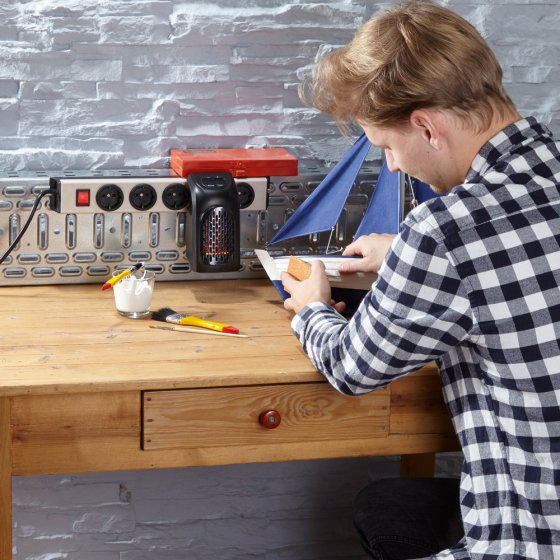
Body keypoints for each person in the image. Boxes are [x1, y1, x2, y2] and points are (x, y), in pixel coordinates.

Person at [280, 1, 560, 559]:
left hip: (526, 542)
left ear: (426, 127)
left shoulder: (443, 232)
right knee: (388, 506)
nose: (391, 167)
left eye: (385, 147)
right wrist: (402, 257)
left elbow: (352, 368)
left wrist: (311, 305)